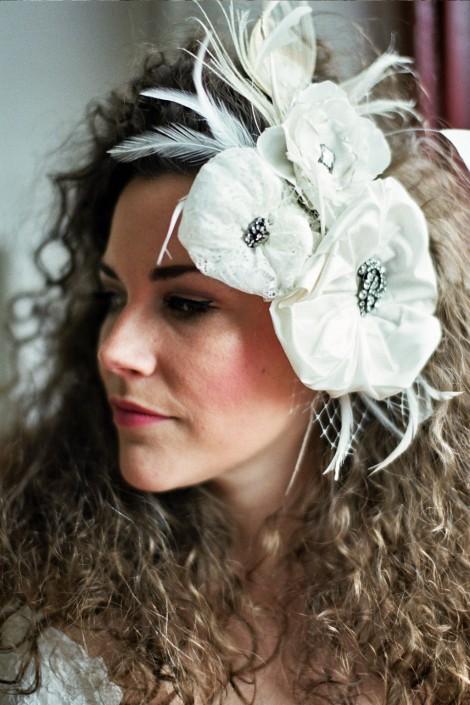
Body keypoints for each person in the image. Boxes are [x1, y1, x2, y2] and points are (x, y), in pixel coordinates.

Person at [1, 2, 469, 704]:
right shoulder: (32, 580)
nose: (115, 349)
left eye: (186, 303)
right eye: (111, 297)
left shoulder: (449, 600)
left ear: (337, 314)